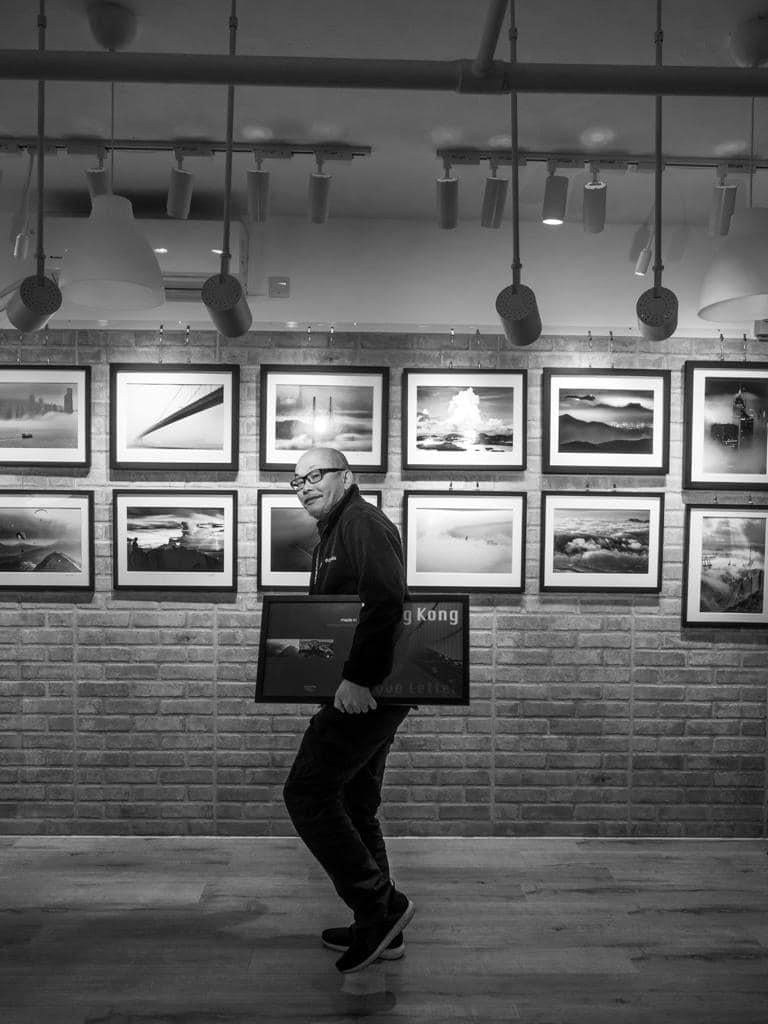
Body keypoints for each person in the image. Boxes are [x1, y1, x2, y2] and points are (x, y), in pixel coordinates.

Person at [282, 446, 415, 974]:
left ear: (347, 476)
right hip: (362, 691)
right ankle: (380, 927)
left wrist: (358, 678)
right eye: (297, 481)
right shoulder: (334, 531)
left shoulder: (361, 523)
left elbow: (386, 600)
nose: (305, 487)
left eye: (316, 475)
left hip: (369, 693)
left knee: (308, 793)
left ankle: (381, 908)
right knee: (357, 805)